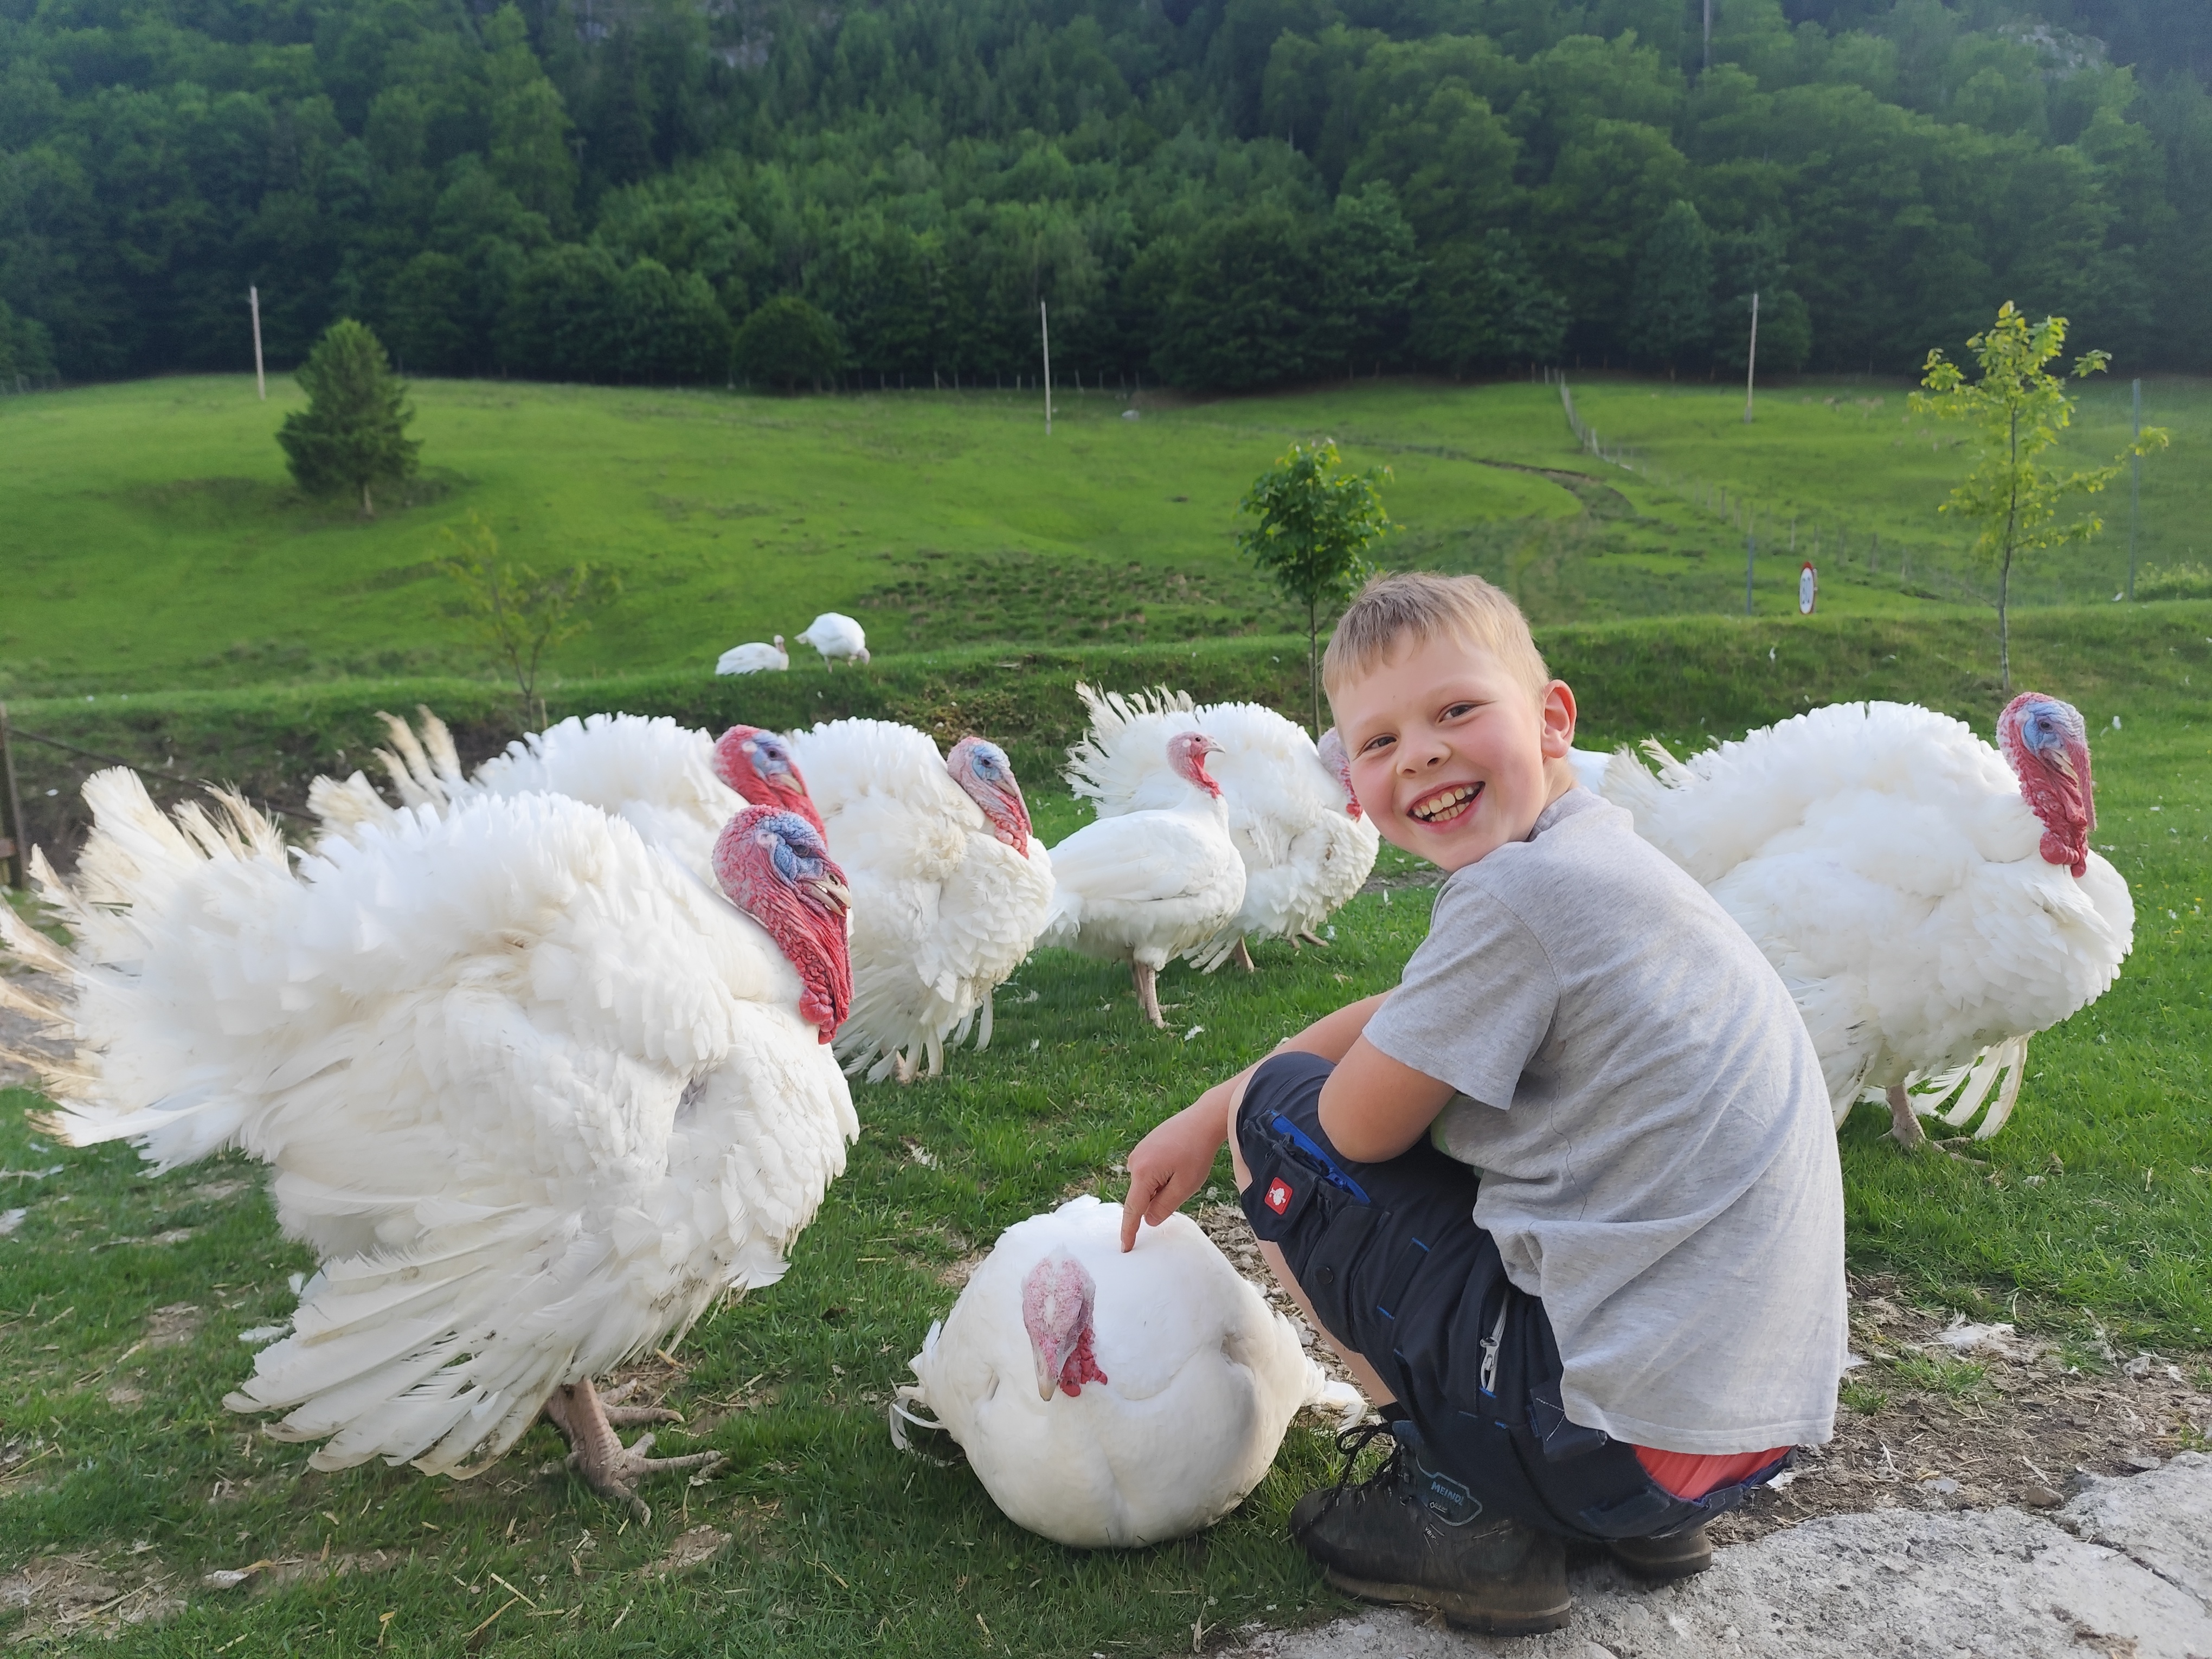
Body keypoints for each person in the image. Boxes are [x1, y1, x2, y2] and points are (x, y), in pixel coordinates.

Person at [1120, 572, 1847, 1635]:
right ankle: (1625, 1520)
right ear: (1354, 773)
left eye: (1456, 712)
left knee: (1276, 1121)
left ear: (1551, 719)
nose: (1418, 753)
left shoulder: (1515, 898)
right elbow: (1417, 1011)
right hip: (1740, 1441)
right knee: (1351, 1116)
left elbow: (1351, 1129)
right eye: (1377, 742)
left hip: (1610, 1446)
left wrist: (1222, 1111)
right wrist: (1202, 1103)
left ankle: (1463, 1508)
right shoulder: (1606, 863)